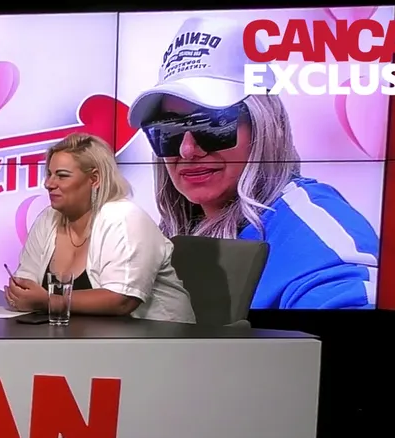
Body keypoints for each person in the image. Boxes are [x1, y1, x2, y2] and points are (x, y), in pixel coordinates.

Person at [128, 16, 380, 310]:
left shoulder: (316, 231)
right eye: (167, 132)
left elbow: (347, 295)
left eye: (212, 125)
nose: (187, 150)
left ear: (264, 125)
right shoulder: (172, 233)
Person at [6, 133, 196, 324]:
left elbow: (122, 301)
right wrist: (21, 293)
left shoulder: (124, 218)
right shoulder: (48, 219)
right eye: (49, 174)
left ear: (94, 179)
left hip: (161, 335)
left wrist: (49, 301)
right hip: (84, 336)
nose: (48, 184)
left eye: (62, 176)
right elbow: (26, 282)